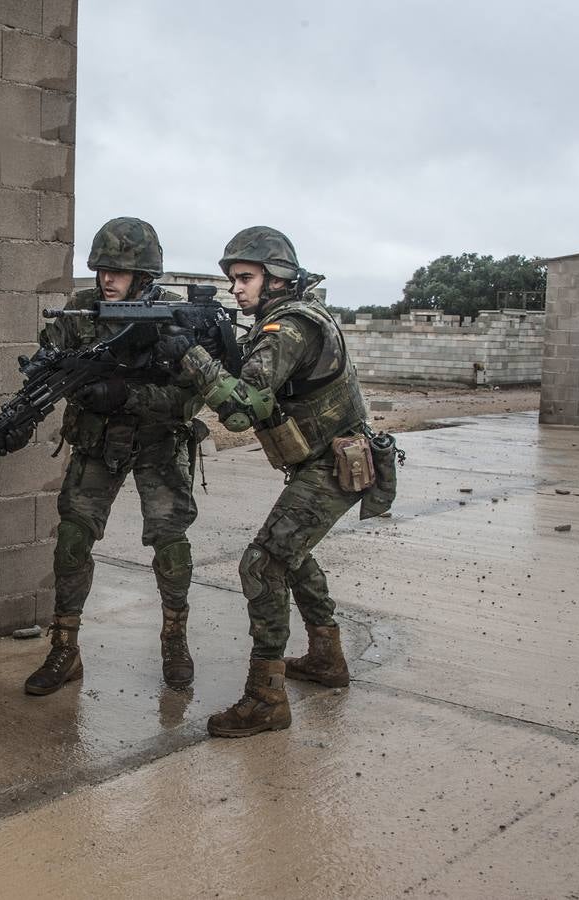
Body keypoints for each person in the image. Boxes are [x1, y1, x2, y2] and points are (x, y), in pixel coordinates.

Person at [155, 226, 383, 737]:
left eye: (245, 278)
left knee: (262, 565)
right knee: (292, 556)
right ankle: (326, 657)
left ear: (277, 278)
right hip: (324, 461)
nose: (236, 289)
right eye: (234, 279)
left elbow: (240, 410)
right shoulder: (285, 320)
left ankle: (265, 697)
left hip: (332, 466)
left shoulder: (291, 328)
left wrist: (192, 356)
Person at [21, 217, 205, 697]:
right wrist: (35, 389)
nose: (107, 279)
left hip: (158, 445)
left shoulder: (172, 318)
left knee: (171, 545)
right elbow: (51, 361)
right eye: (102, 268)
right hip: (99, 443)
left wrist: (126, 397)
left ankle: (174, 641)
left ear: (144, 276)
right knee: (72, 540)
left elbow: (191, 398)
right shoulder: (82, 310)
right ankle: (64, 649)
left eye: (118, 271)